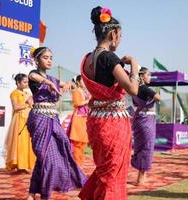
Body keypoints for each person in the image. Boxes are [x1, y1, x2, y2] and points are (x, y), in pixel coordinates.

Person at [78, 6, 139, 200]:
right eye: (120, 35)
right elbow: (133, 89)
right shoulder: (109, 58)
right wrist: (134, 65)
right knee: (111, 174)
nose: (120, 40)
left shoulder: (87, 59)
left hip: (96, 122)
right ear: (113, 33)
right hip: (112, 124)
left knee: (105, 170)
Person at [27, 47, 86, 200]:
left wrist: (70, 85)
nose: (49, 60)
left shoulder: (53, 79)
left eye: (51, 58)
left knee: (59, 151)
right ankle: (40, 194)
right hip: (39, 119)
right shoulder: (34, 76)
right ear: (37, 60)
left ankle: (33, 193)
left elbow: (67, 85)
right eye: (45, 57)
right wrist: (49, 83)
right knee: (44, 156)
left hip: (53, 119)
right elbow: (34, 76)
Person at [131, 67, 161, 185]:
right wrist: (155, 93)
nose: (150, 77)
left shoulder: (134, 89)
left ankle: (142, 175)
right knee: (146, 147)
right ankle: (140, 178)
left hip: (139, 119)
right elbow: (158, 97)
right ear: (142, 76)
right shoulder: (145, 88)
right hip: (146, 120)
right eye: (148, 75)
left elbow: (134, 103)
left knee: (140, 146)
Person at [5, 73, 35, 172]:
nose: (27, 84)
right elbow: (16, 107)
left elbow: (31, 106)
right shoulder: (14, 93)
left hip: (28, 119)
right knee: (20, 142)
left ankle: (26, 164)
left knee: (28, 142)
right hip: (19, 120)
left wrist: (31, 103)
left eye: (27, 82)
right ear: (18, 83)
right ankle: (19, 165)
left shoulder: (27, 93)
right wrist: (27, 103)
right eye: (24, 82)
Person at [68, 75, 90, 164]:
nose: (84, 82)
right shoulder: (76, 91)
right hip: (78, 118)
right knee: (77, 141)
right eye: (82, 81)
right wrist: (87, 101)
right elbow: (76, 103)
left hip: (85, 118)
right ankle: (77, 162)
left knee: (83, 141)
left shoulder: (86, 92)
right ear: (77, 82)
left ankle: (79, 161)